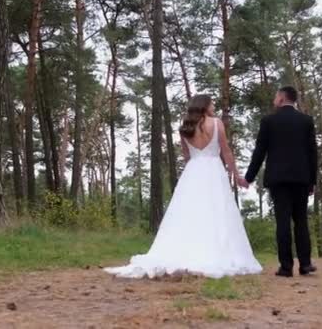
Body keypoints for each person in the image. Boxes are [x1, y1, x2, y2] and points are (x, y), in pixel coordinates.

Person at [105, 95, 262, 279]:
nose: (214, 106)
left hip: (193, 171)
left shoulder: (185, 127)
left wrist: (192, 171)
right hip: (213, 171)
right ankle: (215, 251)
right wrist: (236, 175)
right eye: (211, 103)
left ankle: (187, 249)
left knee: (189, 212)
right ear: (204, 106)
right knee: (216, 210)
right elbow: (226, 151)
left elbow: (187, 155)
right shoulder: (217, 123)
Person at [242, 86, 318, 277]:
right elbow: (312, 153)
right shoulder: (306, 121)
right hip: (301, 178)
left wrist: (248, 177)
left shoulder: (269, 121)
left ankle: (286, 267)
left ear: (283, 98)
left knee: (282, 221)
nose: (274, 99)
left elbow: (260, 151)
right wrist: (312, 181)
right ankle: (305, 264)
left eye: (276, 96)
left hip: (278, 179)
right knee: (301, 220)